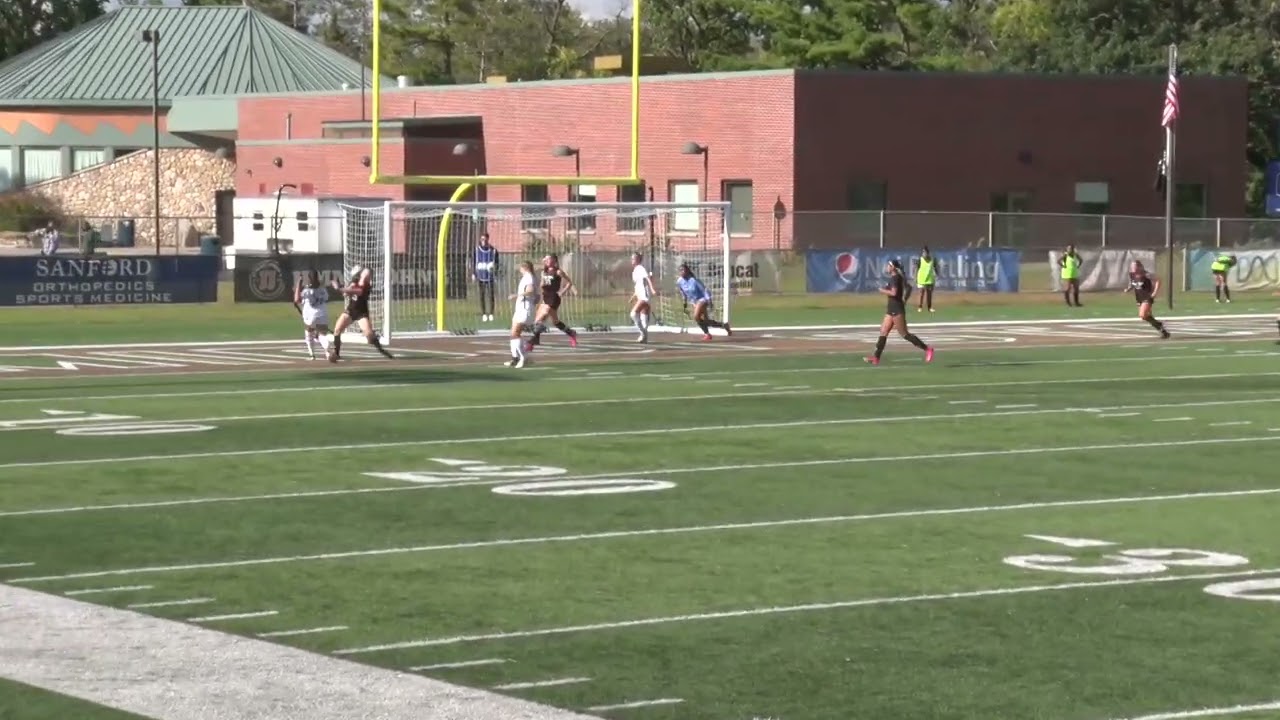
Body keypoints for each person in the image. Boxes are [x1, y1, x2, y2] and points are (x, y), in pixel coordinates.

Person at [866, 259, 934, 365]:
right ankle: (876, 358)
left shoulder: (895, 278)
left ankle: (927, 349)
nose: (887, 267)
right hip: (891, 309)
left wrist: (882, 290)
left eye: (889, 265)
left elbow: (894, 293)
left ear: (893, 267)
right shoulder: (897, 278)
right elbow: (909, 288)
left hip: (897, 310)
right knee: (883, 332)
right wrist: (905, 299)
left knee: (905, 334)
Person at [329, 265, 394, 361]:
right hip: (350, 311)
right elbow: (346, 293)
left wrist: (339, 288)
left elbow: (357, 291)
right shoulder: (354, 283)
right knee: (337, 330)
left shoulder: (366, 286)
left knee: (369, 336)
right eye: (364, 273)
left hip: (361, 313)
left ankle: (381, 349)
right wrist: (342, 289)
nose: (366, 275)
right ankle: (336, 353)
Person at [527, 254, 578, 349]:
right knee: (552, 321)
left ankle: (532, 341)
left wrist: (562, 291)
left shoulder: (558, 272)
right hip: (546, 297)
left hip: (554, 297)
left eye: (548, 258)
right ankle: (571, 333)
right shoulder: (544, 272)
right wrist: (539, 295)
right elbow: (542, 285)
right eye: (545, 259)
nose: (546, 260)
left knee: (543, 315)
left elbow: (569, 282)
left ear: (554, 260)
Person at [675, 264, 731, 341]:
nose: (681, 272)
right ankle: (724, 325)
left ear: (687, 271)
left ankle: (707, 334)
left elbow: (704, 290)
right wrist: (685, 304)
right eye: (680, 270)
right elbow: (683, 293)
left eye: (683, 270)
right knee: (706, 321)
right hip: (694, 302)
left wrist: (709, 300)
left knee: (696, 316)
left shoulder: (694, 280)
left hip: (702, 300)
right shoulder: (679, 281)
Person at [1125, 260, 1171, 339]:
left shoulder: (1146, 274)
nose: (1133, 268)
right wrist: (1128, 289)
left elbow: (1158, 280)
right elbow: (1132, 283)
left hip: (1147, 297)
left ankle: (1160, 326)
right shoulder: (1132, 274)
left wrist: (1155, 293)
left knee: (1143, 314)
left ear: (1140, 267)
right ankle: (1162, 330)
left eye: (1135, 266)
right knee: (1145, 317)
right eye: (1132, 266)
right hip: (1139, 297)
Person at [292, 269, 331, 360]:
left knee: (309, 332)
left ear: (308, 278)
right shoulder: (323, 289)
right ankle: (327, 351)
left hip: (311, 316)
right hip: (322, 314)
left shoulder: (306, 290)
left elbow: (297, 299)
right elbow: (326, 298)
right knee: (322, 335)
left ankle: (312, 354)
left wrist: (298, 284)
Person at [507, 260, 537, 368]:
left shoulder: (529, 277)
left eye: (520, 267)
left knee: (515, 334)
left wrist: (516, 295)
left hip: (525, 308)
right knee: (513, 333)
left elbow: (530, 290)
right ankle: (515, 358)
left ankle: (524, 357)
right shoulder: (527, 277)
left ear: (524, 267)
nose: (519, 269)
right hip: (520, 308)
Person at [629, 252, 657, 343]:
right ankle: (644, 337)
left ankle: (643, 333)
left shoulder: (640, 268)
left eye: (634, 258)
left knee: (633, 314)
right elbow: (638, 285)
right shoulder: (635, 270)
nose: (632, 260)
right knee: (643, 316)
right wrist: (634, 295)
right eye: (631, 258)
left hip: (644, 296)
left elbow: (647, 278)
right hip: (640, 295)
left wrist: (652, 289)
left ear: (638, 259)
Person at [473, 232, 499, 321]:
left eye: (485, 239)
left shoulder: (493, 251)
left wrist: (494, 269)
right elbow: (473, 262)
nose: (483, 241)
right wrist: (474, 273)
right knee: (482, 295)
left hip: (490, 276)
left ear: (488, 239)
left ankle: (491, 313)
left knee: (491, 295)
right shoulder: (476, 250)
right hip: (481, 276)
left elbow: (497, 263)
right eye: (482, 239)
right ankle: (484, 313)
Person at [915, 246, 936, 313]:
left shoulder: (932, 260)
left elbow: (935, 268)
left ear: (928, 253)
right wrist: (915, 277)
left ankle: (929, 307)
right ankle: (920, 307)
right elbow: (916, 269)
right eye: (923, 252)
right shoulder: (920, 260)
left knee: (929, 294)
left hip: (930, 280)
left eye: (925, 252)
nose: (924, 254)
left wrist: (936, 275)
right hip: (921, 279)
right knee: (921, 294)